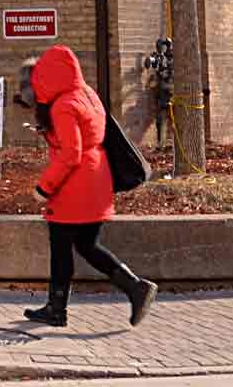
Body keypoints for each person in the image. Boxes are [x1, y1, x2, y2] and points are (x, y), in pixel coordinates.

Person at [17, 44, 156, 328]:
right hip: (97, 179)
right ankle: (134, 287)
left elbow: (70, 154)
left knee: (61, 247)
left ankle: (58, 309)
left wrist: (43, 188)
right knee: (87, 245)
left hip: (74, 187)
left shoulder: (63, 106)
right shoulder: (86, 94)